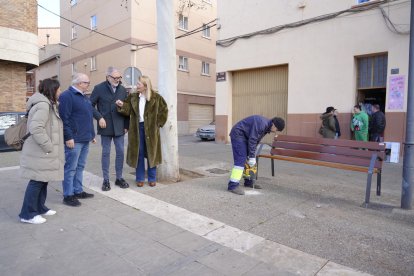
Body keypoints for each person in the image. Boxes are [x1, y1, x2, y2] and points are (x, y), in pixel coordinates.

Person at [19, 79, 64, 224]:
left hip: (42, 152)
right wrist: (48, 146)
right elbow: (36, 128)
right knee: (37, 182)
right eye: (58, 89)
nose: (60, 92)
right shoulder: (44, 106)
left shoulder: (48, 104)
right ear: (52, 90)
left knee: (43, 180)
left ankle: (39, 207)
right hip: (40, 152)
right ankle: (27, 214)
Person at [116, 75, 168, 187]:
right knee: (138, 153)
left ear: (145, 86)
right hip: (136, 128)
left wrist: (158, 124)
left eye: (138, 84)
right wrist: (122, 105)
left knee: (151, 154)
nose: (136, 86)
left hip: (151, 130)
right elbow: (128, 110)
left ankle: (152, 178)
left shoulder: (156, 97)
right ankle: (140, 178)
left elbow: (164, 110)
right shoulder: (133, 97)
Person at [59, 73, 96, 207]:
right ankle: (68, 195)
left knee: (80, 167)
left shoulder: (84, 97)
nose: (88, 85)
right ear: (79, 83)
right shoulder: (66, 96)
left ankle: (78, 190)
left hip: (85, 139)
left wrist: (92, 135)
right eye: (87, 82)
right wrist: (68, 137)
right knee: (70, 168)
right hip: (74, 139)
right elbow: (64, 119)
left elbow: (88, 116)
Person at [90, 67, 130, 191]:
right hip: (105, 125)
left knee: (120, 152)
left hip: (119, 126)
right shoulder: (98, 88)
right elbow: (89, 105)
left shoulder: (123, 90)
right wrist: (99, 117)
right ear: (108, 77)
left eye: (119, 77)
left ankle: (119, 178)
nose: (117, 80)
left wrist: (126, 125)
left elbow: (128, 108)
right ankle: (106, 180)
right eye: (115, 78)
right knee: (106, 153)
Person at [227, 115, 285, 195]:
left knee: (248, 159)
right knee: (241, 159)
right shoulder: (262, 124)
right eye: (276, 130)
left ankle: (249, 182)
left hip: (245, 136)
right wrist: (252, 156)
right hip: (238, 134)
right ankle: (232, 186)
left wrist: (251, 155)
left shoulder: (266, 127)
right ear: (274, 125)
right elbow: (253, 140)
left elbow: (256, 140)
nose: (275, 132)